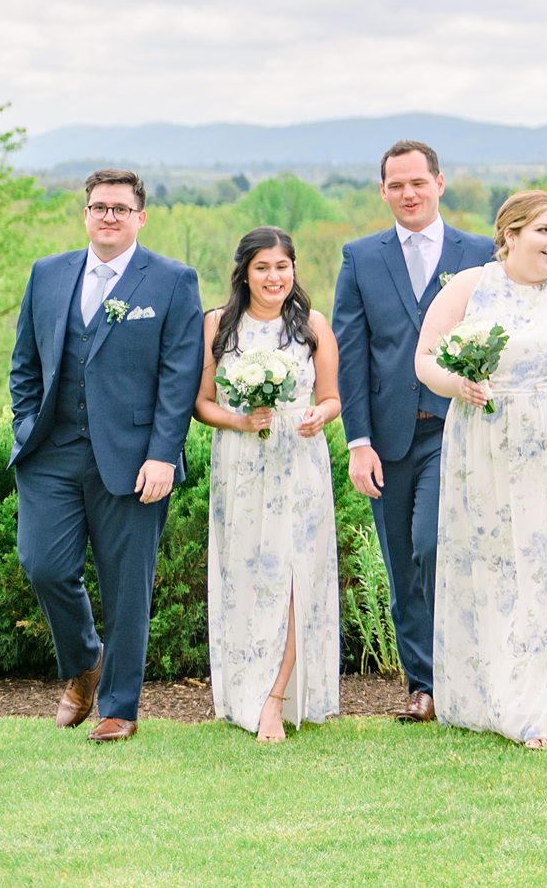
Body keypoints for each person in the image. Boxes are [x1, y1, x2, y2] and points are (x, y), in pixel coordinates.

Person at [417, 190, 547, 749]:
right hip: (481, 452)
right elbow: (426, 357)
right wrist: (457, 383)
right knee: (491, 570)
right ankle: (487, 697)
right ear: (508, 235)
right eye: (542, 231)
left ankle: (540, 710)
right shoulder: (469, 287)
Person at [8, 168, 203, 743]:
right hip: (52, 452)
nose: (109, 216)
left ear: (140, 217)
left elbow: (178, 374)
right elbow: (24, 365)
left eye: (120, 208)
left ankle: (119, 707)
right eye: (99, 207)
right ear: (86, 214)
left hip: (136, 457)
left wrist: (164, 454)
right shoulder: (48, 274)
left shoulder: (171, 280)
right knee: (42, 564)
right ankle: (84, 660)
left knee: (126, 585)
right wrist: (25, 424)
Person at [332, 140, 497, 724]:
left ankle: (464, 673)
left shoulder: (479, 252)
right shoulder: (361, 257)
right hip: (389, 437)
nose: (408, 194)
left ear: (439, 183)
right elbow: (350, 357)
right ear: (383, 191)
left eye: (417, 183)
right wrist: (358, 443)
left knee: (433, 545)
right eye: (396, 185)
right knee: (403, 562)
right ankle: (422, 685)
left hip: (459, 429)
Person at [197, 227, 343, 742]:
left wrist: (316, 417)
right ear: (244, 272)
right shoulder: (218, 323)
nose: (273, 277)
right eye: (262, 267)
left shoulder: (313, 326)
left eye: (282, 267)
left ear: (294, 271)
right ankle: (245, 690)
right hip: (240, 466)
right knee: (246, 578)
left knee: (293, 578)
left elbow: (331, 397)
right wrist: (239, 421)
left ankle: (275, 698)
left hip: (298, 464)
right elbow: (202, 402)